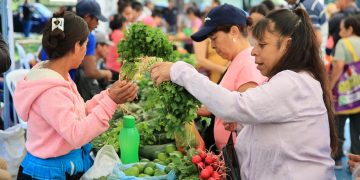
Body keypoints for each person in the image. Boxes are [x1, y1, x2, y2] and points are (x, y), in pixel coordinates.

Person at [151, 8, 337, 179]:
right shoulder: (288, 79)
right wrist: (244, 125)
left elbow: (234, 106)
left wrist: (181, 72)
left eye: (262, 45)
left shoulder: (293, 82)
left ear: (287, 45)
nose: (254, 52)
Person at [14, 11, 138, 179]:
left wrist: (108, 95)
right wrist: (110, 101)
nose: (87, 51)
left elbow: (78, 113)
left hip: (64, 167)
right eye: (85, 44)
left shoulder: (58, 75)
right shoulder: (51, 90)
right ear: (76, 46)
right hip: (49, 175)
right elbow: (76, 134)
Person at [194, 4, 267, 151]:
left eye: (214, 38)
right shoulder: (237, 60)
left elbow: (245, 119)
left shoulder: (248, 64)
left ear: (234, 32)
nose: (212, 46)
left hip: (237, 160)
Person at [329, 15, 360, 169]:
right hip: (358, 94)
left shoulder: (343, 43)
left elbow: (338, 67)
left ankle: (338, 158)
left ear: (350, 29)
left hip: (344, 93)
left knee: (338, 126)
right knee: (356, 128)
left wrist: (329, 86)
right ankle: (355, 162)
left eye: (342, 29)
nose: (340, 33)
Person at [106, 14, 126, 80]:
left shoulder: (110, 34)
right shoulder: (121, 35)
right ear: (122, 24)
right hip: (116, 70)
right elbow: (123, 55)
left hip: (108, 67)